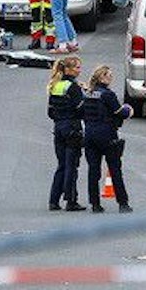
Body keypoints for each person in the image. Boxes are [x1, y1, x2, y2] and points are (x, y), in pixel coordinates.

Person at [81, 65, 133, 213]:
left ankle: (95, 204)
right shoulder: (107, 95)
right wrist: (129, 110)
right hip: (107, 135)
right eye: (109, 75)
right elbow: (120, 112)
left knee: (93, 170)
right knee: (115, 169)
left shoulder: (88, 93)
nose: (111, 78)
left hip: (90, 135)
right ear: (102, 77)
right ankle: (123, 203)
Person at [45, 55, 86, 212]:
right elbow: (81, 109)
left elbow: (50, 112)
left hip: (58, 128)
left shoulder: (55, 86)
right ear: (68, 69)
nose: (79, 70)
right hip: (72, 128)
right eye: (77, 67)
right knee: (72, 165)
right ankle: (71, 200)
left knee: (61, 165)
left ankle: (54, 200)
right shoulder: (73, 88)